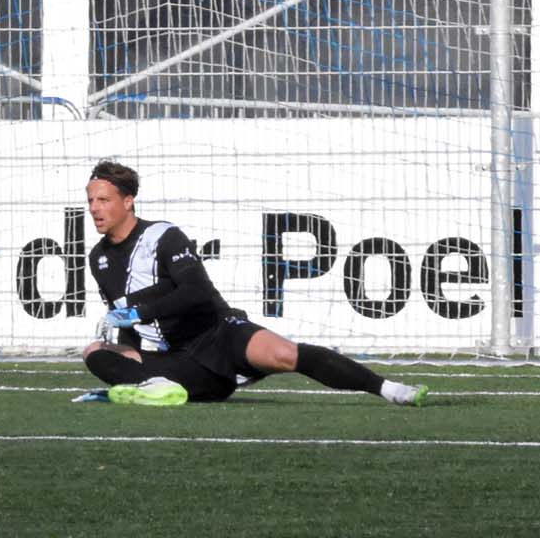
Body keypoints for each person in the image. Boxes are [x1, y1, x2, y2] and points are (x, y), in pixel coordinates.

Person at [78, 160, 427, 408]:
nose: (95, 208)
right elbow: (127, 321)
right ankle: (151, 387)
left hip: (219, 334)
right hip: (178, 363)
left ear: (128, 201)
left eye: (103, 200)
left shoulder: (163, 236)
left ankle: (389, 389)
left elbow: (196, 293)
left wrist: (141, 312)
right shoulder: (99, 258)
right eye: (91, 200)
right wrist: (124, 368)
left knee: (285, 354)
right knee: (94, 351)